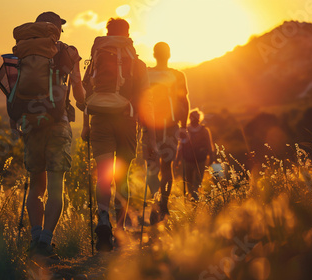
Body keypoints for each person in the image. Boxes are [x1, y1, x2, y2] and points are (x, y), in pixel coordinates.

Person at [80, 18, 157, 252]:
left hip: (99, 120)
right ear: (127, 34)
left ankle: (102, 219)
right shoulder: (138, 63)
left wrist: (86, 126)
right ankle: (119, 229)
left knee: (104, 174)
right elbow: (144, 100)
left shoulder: (96, 59)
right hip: (126, 121)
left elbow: (87, 92)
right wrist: (148, 133)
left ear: (107, 33)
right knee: (122, 176)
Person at [16, 12, 86, 261]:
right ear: (56, 29)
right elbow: (77, 87)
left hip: (31, 124)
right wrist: (84, 104)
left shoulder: (23, 52)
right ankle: (45, 243)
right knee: (56, 188)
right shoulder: (68, 52)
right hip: (58, 123)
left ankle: (35, 240)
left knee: (36, 187)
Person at [143, 42, 190, 224]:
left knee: (152, 168)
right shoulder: (177, 75)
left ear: (154, 54)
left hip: (150, 128)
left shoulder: (146, 74)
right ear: (169, 55)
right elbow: (183, 101)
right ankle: (163, 203)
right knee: (166, 167)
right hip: (171, 126)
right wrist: (184, 126)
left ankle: (155, 205)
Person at [176, 109, 215, 201]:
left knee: (195, 179)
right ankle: (193, 194)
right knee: (191, 179)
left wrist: (212, 157)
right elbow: (181, 145)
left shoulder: (203, 130)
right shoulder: (187, 130)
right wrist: (178, 159)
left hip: (198, 159)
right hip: (191, 159)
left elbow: (209, 145)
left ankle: (193, 194)